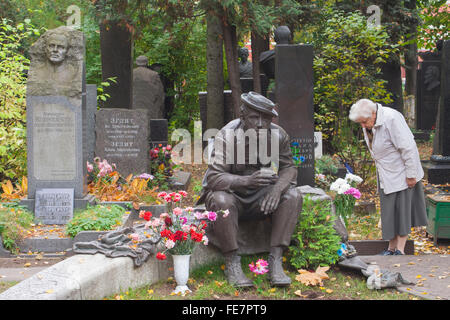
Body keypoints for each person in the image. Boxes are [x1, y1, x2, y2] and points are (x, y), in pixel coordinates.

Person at [197, 91, 302, 288]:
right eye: (255, 117)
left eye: (267, 118)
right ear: (242, 116)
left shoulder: (278, 135)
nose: (261, 123)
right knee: (221, 201)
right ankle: (232, 262)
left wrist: (276, 190)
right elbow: (213, 177)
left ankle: (276, 260)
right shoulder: (227, 136)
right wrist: (246, 181)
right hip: (232, 194)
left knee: (292, 195)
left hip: (261, 195)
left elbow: (289, 168)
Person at [349, 99, 428, 255]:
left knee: (402, 210)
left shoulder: (392, 118)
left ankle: (400, 249)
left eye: (364, 122)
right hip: (386, 172)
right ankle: (391, 248)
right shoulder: (370, 121)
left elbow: (408, 147)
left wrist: (411, 174)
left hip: (402, 172)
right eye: (361, 123)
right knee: (389, 210)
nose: (363, 126)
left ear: (373, 114)